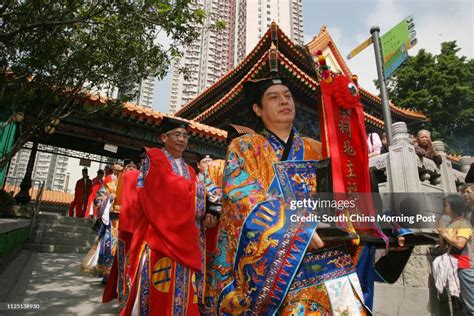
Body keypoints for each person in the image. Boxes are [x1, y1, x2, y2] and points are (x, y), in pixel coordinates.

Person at [207, 76, 377, 315]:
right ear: (257, 109)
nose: (284, 101)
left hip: (332, 265)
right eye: (273, 97)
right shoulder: (245, 147)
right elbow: (242, 197)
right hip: (280, 274)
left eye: (287, 96)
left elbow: (343, 196)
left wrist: (380, 229)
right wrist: (299, 228)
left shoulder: (317, 149)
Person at [120, 117, 217, 316]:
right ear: (164, 137)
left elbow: (195, 201)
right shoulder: (153, 157)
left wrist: (209, 214)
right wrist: (204, 193)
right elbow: (162, 189)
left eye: (185, 136)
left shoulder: (190, 170)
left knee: (184, 290)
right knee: (158, 289)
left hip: (187, 238)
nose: (182, 139)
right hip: (158, 235)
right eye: (177, 134)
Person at [103, 160, 140, 304]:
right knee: (122, 258)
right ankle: (124, 292)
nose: (131, 169)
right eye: (128, 167)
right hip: (117, 223)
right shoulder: (115, 182)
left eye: (134, 166)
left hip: (133, 224)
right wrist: (110, 201)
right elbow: (101, 198)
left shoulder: (142, 178)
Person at [437, 194, 473, 316]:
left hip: (463, 267)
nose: (443, 207)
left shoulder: (464, 224)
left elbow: (459, 244)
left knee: (470, 303)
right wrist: (441, 235)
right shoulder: (449, 225)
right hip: (452, 268)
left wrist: (445, 234)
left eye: (445, 205)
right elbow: (443, 248)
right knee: (460, 303)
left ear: (453, 206)